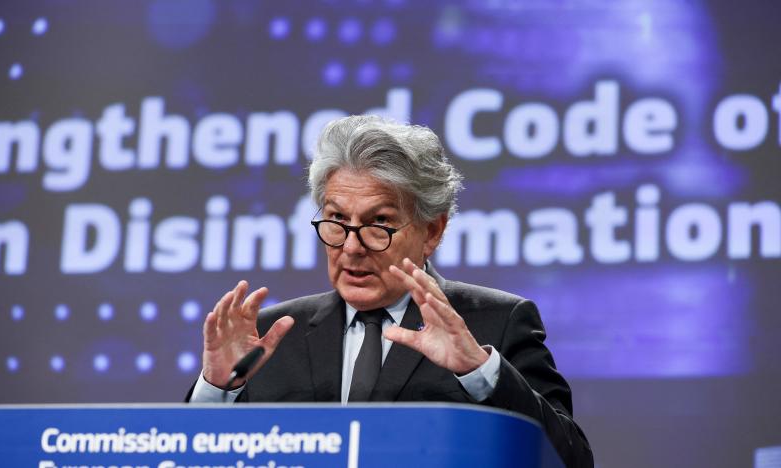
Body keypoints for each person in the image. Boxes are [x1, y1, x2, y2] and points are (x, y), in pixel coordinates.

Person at [187, 115, 593, 467]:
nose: (351, 246)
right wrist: (217, 389)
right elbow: (187, 458)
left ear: (431, 231)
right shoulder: (270, 337)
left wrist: (479, 371)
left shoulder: (495, 323)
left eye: (378, 223)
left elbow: (570, 459)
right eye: (336, 220)